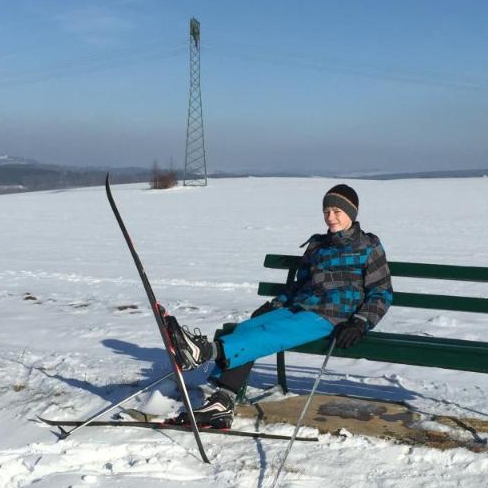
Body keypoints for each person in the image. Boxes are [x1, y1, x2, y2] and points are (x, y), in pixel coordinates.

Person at [163, 183, 392, 428]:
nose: (330, 217)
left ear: (352, 213)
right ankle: (222, 403)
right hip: (302, 306)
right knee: (245, 329)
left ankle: (204, 352)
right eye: (326, 211)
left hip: (334, 316)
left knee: (272, 334)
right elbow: (299, 285)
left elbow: (382, 292)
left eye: (337, 211)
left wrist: (360, 322)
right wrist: (275, 304)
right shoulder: (318, 245)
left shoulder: (368, 246)